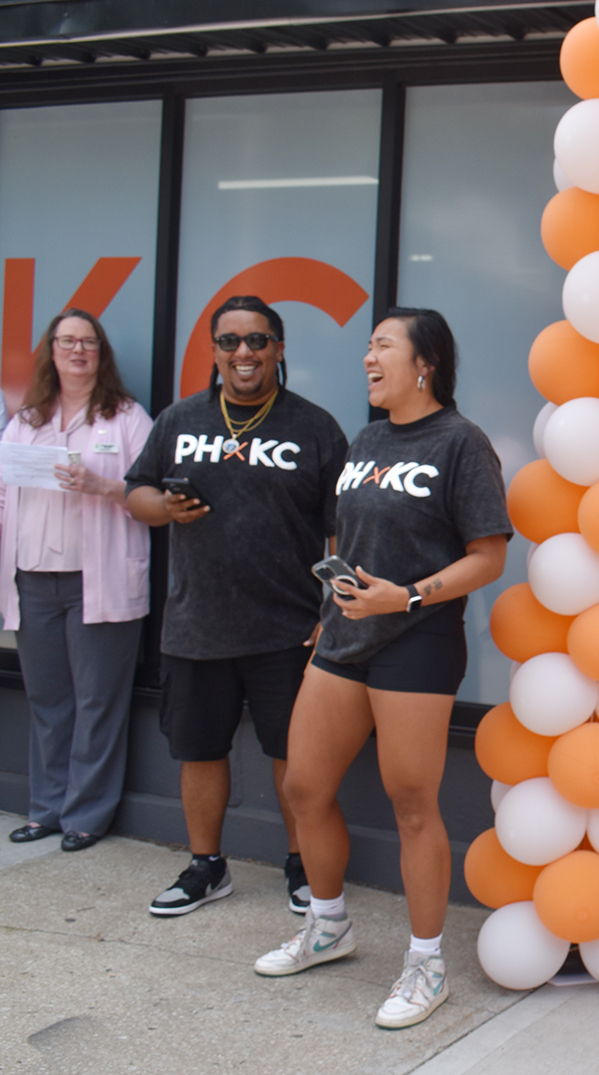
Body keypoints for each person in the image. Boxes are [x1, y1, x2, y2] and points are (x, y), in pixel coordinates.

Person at [252, 308, 509, 1030]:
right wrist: (333, 598)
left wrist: (411, 594)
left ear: (424, 362)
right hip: (341, 636)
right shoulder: (364, 438)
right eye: (368, 347)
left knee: (412, 803)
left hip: (416, 640)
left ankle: (426, 965)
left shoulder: (461, 442)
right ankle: (328, 925)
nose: (368, 358)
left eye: (382, 346)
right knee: (304, 785)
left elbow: (489, 555)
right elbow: (350, 531)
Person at [126, 295, 348, 917]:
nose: (243, 353)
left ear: (279, 349)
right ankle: (207, 867)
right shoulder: (179, 419)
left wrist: (330, 609)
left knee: (293, 757)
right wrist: (162, 508)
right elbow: (136, 492)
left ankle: (303, 866)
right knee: (199, 752)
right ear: (215, 351)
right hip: (196, 625)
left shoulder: (315, 427)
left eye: (257, 341)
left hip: (288, 628)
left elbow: (343, 529)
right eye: (230, 341)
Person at [2, 309, 152, 853]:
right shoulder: (28, 421)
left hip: (99, 578)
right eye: (67, 341)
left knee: (96, 702)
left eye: (88, 342)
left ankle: (86, 815)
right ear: (52, 351)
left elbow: (150, 496)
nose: (78, 351)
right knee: (47, 699)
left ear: (101, 353)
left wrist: (99, 484)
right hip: (34, 579)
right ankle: (46, 809)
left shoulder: (128, 417)